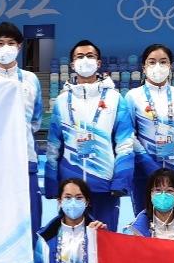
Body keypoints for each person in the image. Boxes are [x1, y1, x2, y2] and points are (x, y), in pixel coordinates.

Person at [44, 39, 133, 231]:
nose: (85, 60)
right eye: (80, 56)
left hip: (105, 184)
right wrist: (52, 182)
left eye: (90, 56)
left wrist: (120, 181)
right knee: (72, 237)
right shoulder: (61, 101)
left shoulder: (115, 99)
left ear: (98, 63)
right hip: (71, 187)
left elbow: (125, 143)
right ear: (72, 64)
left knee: (106, 238)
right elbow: (53, 146)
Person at [0, 22, 44, 234]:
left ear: (19, 47)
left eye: (11, 43)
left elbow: (36, 120)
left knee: (30, 216)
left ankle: (33, 255)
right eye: (0, 43)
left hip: (25, 158)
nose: (6, 47)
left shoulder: (31, 80)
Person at [128, 43, 174, 216]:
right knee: (144, 222)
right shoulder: (133, 96)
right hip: (144, 174)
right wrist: (148, 165)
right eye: (152, 62)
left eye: (163, 61)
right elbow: (128, 134)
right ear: (144, 67)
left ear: (170, 66)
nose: (157, 66)